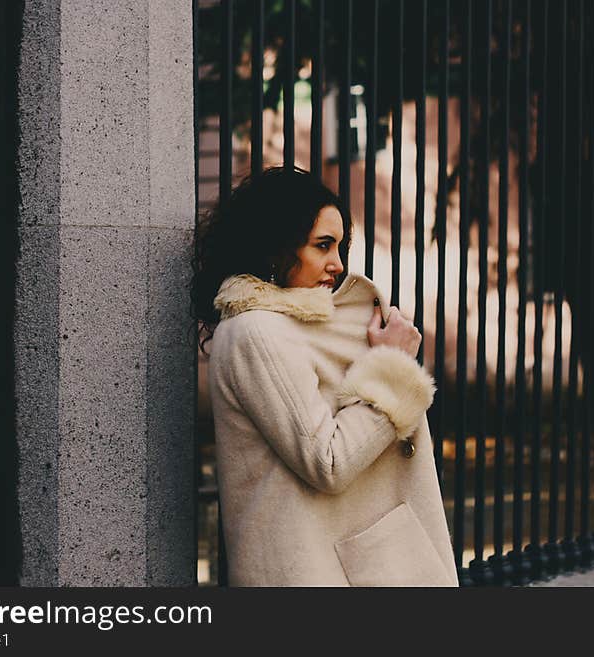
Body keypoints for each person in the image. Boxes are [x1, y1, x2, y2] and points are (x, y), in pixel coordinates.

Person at [192, 166, 458, 586]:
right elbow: (327, 461)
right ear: (274, 246)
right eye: (323, 245)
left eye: (340, 246)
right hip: (313, 570)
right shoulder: (255, 332)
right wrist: (392, 371)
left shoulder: (300, 327)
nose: (337, 264)